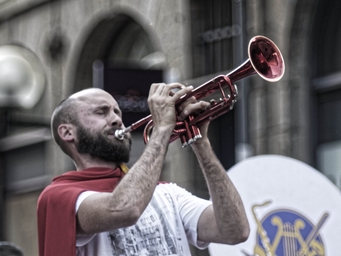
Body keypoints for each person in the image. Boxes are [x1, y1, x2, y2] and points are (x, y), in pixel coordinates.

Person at [37, 83, 250, 256]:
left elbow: (235, 231)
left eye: (117, 112)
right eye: (101, 112)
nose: (116, 119)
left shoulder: (167, 193)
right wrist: (163, 129)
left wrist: (200, 142)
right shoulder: (60, 196)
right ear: (67, 132)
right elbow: (125, 209)